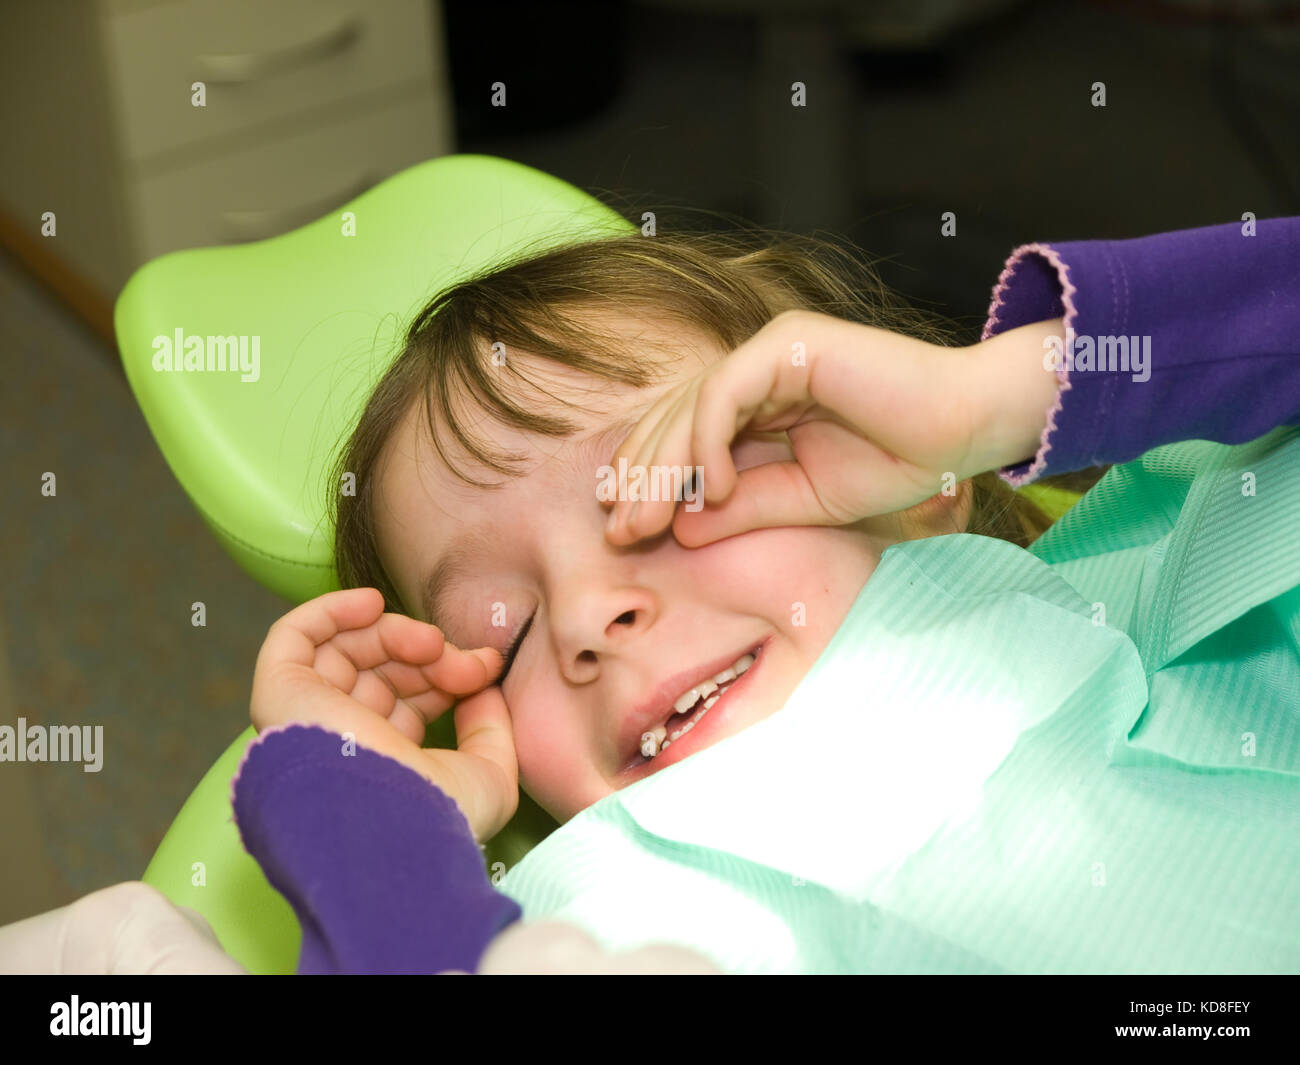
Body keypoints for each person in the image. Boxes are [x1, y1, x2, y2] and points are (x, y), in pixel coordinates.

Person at [5, 215, 1296, 973]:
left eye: (665, 496)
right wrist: (356, 802)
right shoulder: (613, 904)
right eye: (493, 635)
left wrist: (1005, 390)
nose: (583, 617)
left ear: (912, 476)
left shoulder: (1176, 581)